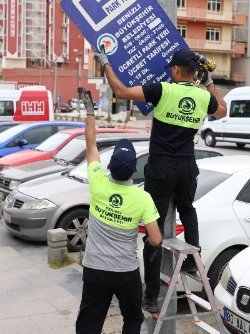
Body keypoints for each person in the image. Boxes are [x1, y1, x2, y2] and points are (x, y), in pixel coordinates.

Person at [95, 49, 227, 313]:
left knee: (154, 233)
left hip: (161, 167)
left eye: (171, 69)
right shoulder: (202, 96)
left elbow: (121, 91)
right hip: (187, 167)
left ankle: (151, 296)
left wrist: (106, 63)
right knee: (188, 209)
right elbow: (222, 110)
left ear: (177, 70)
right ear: (195, 72)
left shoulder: (163, 90)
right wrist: (209, 80)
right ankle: (192, 258)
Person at [75, 88, 163, 334]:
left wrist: (90, 111)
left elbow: (91, 144)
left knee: (89, 322)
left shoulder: (97, 182)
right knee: (133, 318)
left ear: (110, 165)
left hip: (95, 269)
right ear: (135, 169)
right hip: (126, 272)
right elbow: (155, 239)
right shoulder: (143, 198)